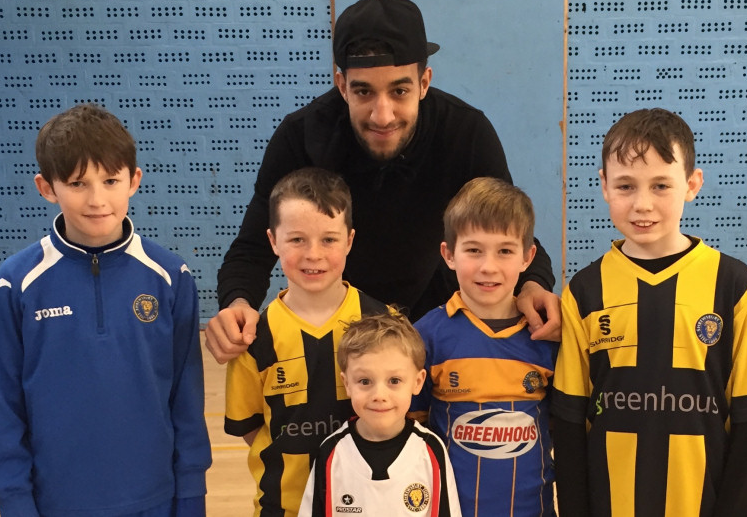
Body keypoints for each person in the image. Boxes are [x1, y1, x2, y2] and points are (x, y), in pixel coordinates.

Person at [206, 0, 561, 364]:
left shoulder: (465, 131)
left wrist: (534, 283)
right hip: (339, 330)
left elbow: (510, 229)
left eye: (399, 90)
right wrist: (237, 302)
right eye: (363, 91)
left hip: (437, 326)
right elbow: (252, 246)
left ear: (424, 82)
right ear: (341, 85)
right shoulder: (300, 137)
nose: (382, 115)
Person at [0, 103, 212, 517]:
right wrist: (14, 502)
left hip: (155, 500)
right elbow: (1, 406)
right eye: (77, 183)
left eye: (110, 180)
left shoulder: (170, 276)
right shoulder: (13, 284)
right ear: (47, 187)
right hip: (54, 504)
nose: (97, 199)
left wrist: (191, 493)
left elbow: (186, 398)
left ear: (133, 180)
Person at [551, 108, 747, 517]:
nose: (643, 204)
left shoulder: (734, 286)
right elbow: (571, 426)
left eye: (661, 185)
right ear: (604, 186)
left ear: (692, 184)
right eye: (625, 186)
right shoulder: (585, 292)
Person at [224, 167, 391, 516]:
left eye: (329, 239)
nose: (313, 254)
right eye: (297, 239)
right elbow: (251, 426)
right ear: (273, 241)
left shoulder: (386, 324)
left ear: (349, 240)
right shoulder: (256, 337)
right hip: (284, 505)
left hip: (372, 501)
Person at [409, 177, 559, 517]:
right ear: (448, 254)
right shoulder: (424, 337)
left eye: (505, 250)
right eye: (473, 250)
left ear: (527, 257)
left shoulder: (548, 337)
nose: (488, 266)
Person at [298, 312, 462, 517]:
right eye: (365, 382)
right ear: (347, 383)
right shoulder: (332, 451)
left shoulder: (430, 450)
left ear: (418, 382)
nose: (379, 395)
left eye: (394, 381)